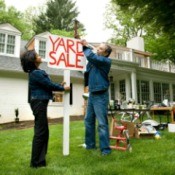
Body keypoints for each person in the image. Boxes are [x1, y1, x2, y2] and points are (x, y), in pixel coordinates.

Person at [20, 50, 70, 168]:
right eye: (37, 55)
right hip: (39, 103)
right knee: (41, 132)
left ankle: (40, 160)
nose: (40, 56)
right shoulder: (36, 73)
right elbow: (49, 85)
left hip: (40, 102)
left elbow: (47, 84)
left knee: (43, 131)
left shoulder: (36, 72)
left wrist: (59, 85)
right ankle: (36, 163)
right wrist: (63, 88)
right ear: (33, 60)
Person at [81, 40, 112, 156]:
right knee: (88, 121)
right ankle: (90, 145)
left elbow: (91, 56)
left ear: (105, 53)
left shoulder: (105, 61)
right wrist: (82, 43)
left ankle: (105, 150)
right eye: (98, 48)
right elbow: (88, 68)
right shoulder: (94, 62)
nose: (98, 49)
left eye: (100, 49)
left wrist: (85, 47)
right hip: (92, 94)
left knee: (102, 123)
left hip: (101, 95)